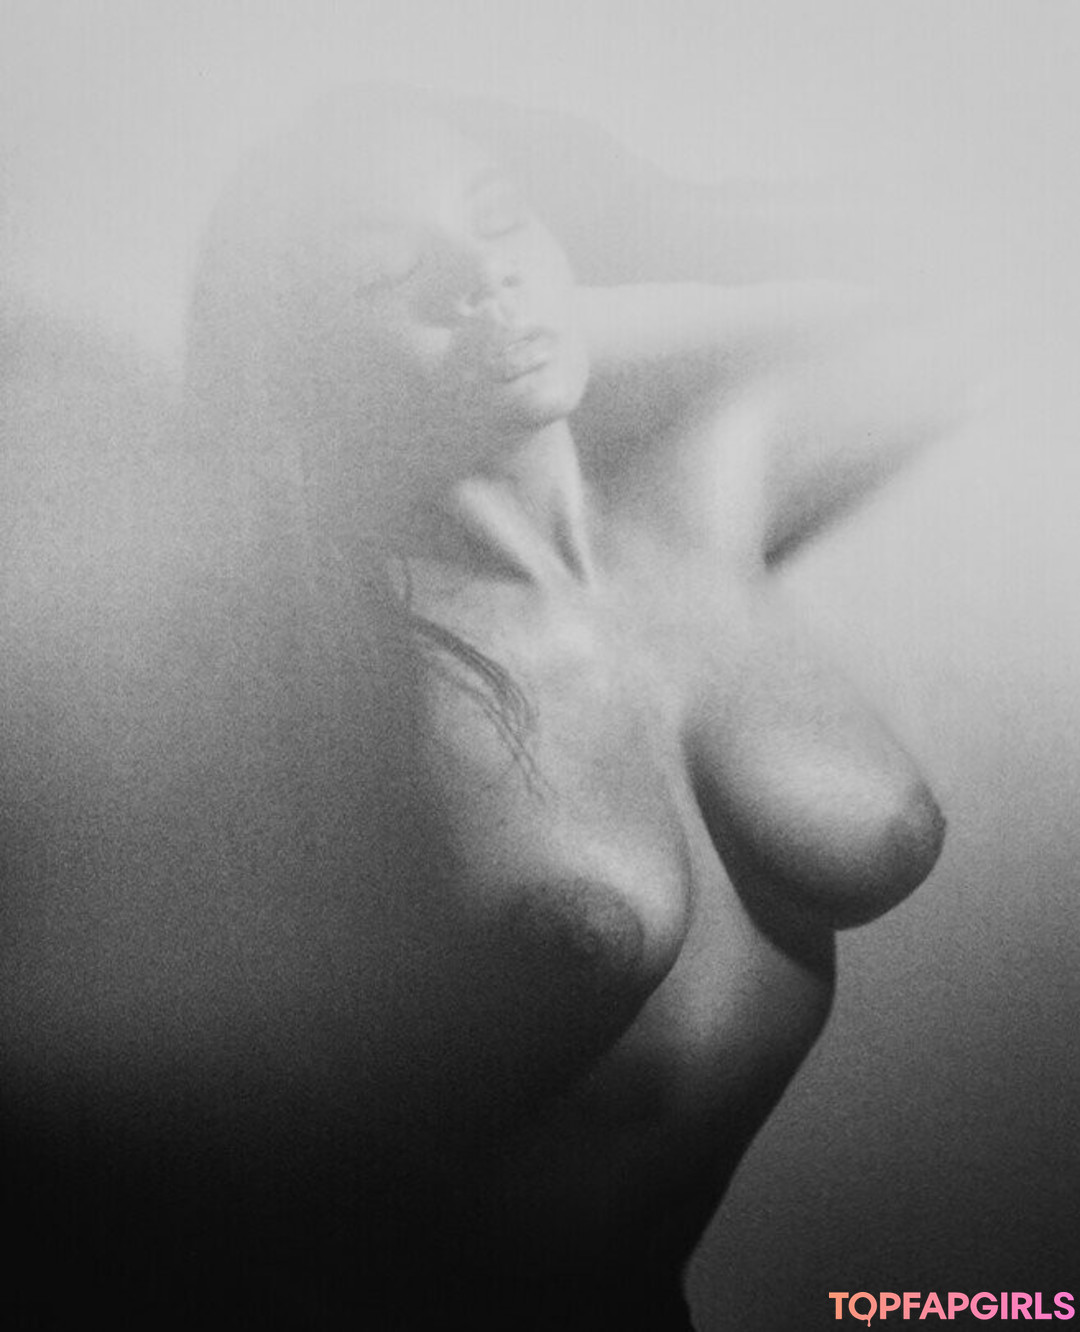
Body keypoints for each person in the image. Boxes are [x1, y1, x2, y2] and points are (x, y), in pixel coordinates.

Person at [2, 88, 955, 1329]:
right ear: (303, 359)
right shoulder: (312, 667)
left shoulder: (715, 489)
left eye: (500, 218)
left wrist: (643, 231)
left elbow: (986, 269)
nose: (479, 278)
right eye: (390, 274)